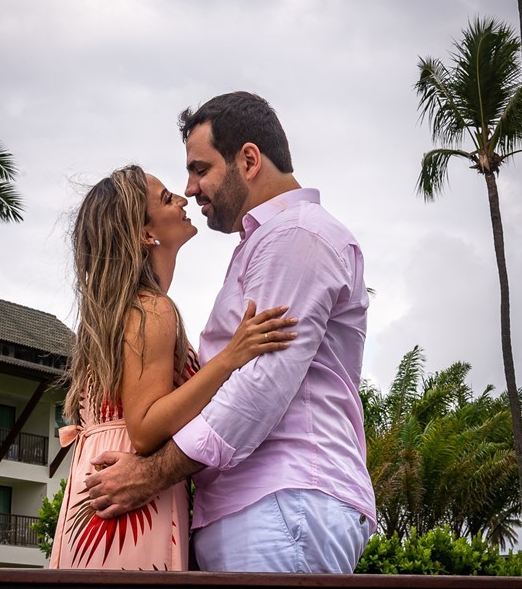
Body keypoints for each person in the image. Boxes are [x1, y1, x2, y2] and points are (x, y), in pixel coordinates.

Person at [84, 92, 376, 573]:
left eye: (200, 169)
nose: (191, 187)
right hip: (262, 508)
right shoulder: (266, 243)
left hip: (282, 501)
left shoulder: (295, 236)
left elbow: (258, 388)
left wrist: (152, 475)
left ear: (248, 159)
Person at [48, 165, 297, 571]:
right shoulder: (151, 309)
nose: (183, 200)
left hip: (102, 498)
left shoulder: (119, 313)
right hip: (130, 507)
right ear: (146, 234)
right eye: (166, 199)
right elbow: (145, 429)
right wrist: (231, 358)